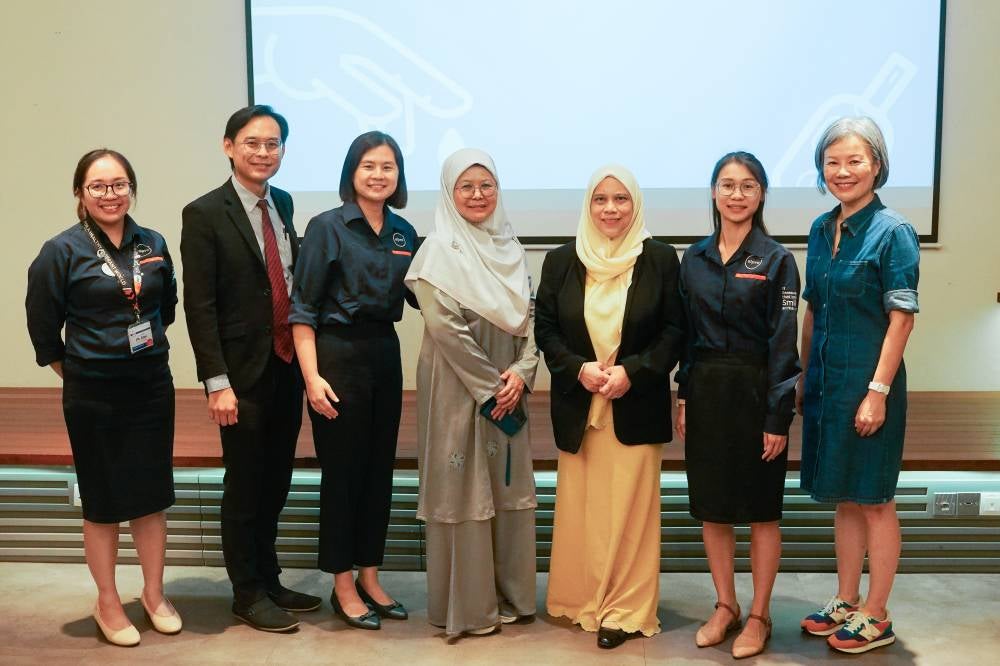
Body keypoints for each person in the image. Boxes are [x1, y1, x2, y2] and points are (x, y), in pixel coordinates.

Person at [26, 149, 182, 646]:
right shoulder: (61, 251)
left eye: (118, 185)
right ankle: (108, 601)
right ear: (80, 193)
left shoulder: (152, 242)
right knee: (104, 501)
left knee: (153, 497)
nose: (110, 195)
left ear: (131, 188)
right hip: (93, 394)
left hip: (152, 386)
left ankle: (154, 594)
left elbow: (167, 308)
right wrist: (83, 370)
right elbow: (45, 333)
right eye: (98, 186)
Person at [181, 105, 320, 632]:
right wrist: (217, 382)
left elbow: (284, 276)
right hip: (239, 375)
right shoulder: (204, 213)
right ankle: (246, 591)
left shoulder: (280, 203)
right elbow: (201, 306)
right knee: (245, 484)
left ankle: (270, 577)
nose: (264, 152)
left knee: (277, 480)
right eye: (253, 143)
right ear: (228, 146)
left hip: (286, 366)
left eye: (274, 144)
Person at [536, 165, 685, 649]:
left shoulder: (661, 259)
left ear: (636, 204)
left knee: (632, 516)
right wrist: (578, 368)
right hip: (580, 407)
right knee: (582, 511)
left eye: (621, 199)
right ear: (588, 205)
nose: (611, 209)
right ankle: (580, 599)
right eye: (601, 199)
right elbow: (546, 330)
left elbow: (674, 331)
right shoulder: (561, 261)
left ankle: (625, 609)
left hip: (634, 406)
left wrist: (634, 373)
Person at [797, 117, 920, 654]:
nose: (843, 171)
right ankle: (847, 601)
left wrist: (877, 391)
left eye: (855, 160)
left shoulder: (894, 232)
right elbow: (812, 310)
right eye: (832, 162)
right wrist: (802, 375)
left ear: (877, 165)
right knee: (845, 498)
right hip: (827, 382)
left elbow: (902, 319)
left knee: (875, 500)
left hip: (871, 385)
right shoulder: (822, 229)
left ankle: (877, 613)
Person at [404, 148, 539, 637]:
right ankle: (470, 606)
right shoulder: (437, 252)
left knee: (505, 486)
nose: (478, 195)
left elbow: (530, 319)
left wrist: (522, 373)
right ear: (449, 193)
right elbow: (446, 329)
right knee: (462, 487)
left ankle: (512, 595)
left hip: (509, 383)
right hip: (458, 383)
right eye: (466, 186)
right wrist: (491, 387)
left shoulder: (511, 246)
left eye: (487, 185)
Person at [674, 151, 800, 658]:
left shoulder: (777, 260)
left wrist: (778, 416)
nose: (736, 194)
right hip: (705, 394)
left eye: (748, 186)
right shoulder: (694, 257)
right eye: (727, 185)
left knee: (762, 512)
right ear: (712, 192)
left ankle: (759, 614)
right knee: (715, 510)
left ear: (762, 194)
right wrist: (683, 395)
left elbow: (784, 345)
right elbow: (684, 336)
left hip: (756, 394)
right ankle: (725, 606)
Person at [290, 131, 417, 631]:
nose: (379, 175)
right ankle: (341, 583)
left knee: (378, 472)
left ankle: (370, 574)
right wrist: (312, 379)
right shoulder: (326, 227)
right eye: (369, 166)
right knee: (343, 476)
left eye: (388, 167)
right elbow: (302, 309)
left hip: (384, 355)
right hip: (336, 357)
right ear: (351, 172)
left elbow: (426, 295)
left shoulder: (404, 231)